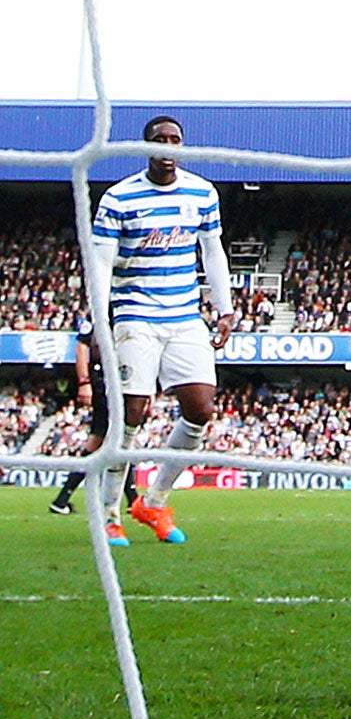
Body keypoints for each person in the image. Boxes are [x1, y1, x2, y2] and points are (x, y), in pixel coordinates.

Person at [87, 115, 237, 545]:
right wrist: (102, 320)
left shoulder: (201, 192)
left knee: (201, 408)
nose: (168, 147)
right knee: (131, 412)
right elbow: (100, 263)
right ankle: (109, 513)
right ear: (146, 146)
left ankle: (153, 502)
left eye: (175, 140)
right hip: (135, 315)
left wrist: (224, 309)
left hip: (185, 316)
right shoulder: (119, 198)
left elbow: (213, 251)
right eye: (160, 140)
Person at [46, 312, 138, 546]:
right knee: (105, 439)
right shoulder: (101, 310)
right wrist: (85, 381)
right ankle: (132, 500)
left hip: (121, 381)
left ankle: (132, 500)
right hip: (104, 382)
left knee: (117, 439)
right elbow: (81, 346)